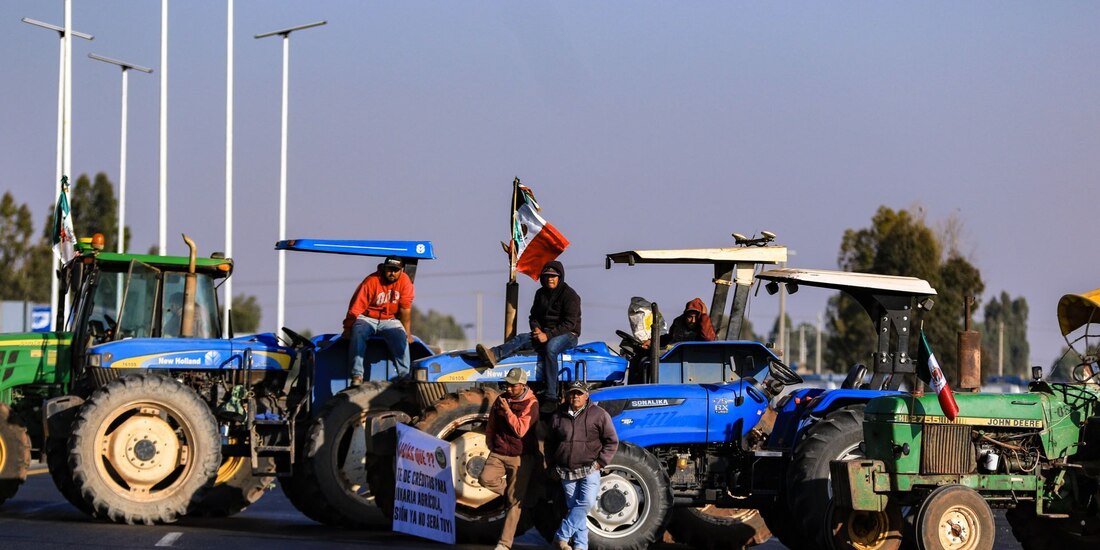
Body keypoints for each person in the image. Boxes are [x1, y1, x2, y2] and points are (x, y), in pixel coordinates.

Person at [476, 260, 581, 407]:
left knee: (551, 348)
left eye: (553, 276)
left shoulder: (570, 296)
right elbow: (534, 317)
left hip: (568, 334)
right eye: (547, 276)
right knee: (522, 338)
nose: (550, 278)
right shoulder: (540, 294)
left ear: (560, 277)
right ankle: (493, 355)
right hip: (544, 333)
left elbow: (569, 323)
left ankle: (551, 395)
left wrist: (548, 336)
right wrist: (537, 329)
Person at [546, 381, 618, 550]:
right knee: (575, 510)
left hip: (590, 469)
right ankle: (580, 546)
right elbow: (549, 443)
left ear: (586, 396)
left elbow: (612, 441)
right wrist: (551, 466)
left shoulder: (599, 414)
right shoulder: (558, 416)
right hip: (566, 471)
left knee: (586, 503)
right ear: (567, 395)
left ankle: (561, 536)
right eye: (572, 393)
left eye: (579, 393)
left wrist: (600, 463)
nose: (575, 396)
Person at [477, 367, 540, 550]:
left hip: (520, 456)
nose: (509, 389)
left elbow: (521, 430)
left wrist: (507, 411)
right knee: (485, 478)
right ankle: (516, 496)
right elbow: (492, 423)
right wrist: (490, 442)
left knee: (514, 504)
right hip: (499, 452)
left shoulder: (531, 404)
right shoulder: (501, 399)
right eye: (507, 385)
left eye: (513, 386)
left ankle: (504, 543)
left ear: (523, 385)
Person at [343, 255, 414, 385]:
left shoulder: (405, 282)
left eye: (396, 270)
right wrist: (348, 328)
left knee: (400, 336)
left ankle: (404, 377)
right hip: (367, 318)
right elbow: (356, 307)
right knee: (358, 332)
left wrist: (407, 333)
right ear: (383, 268)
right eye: (389, 269)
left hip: (390, 319)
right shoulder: (371, 281)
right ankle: (357, 375)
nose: (392, 272)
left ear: (401, 270)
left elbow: (405, 309)